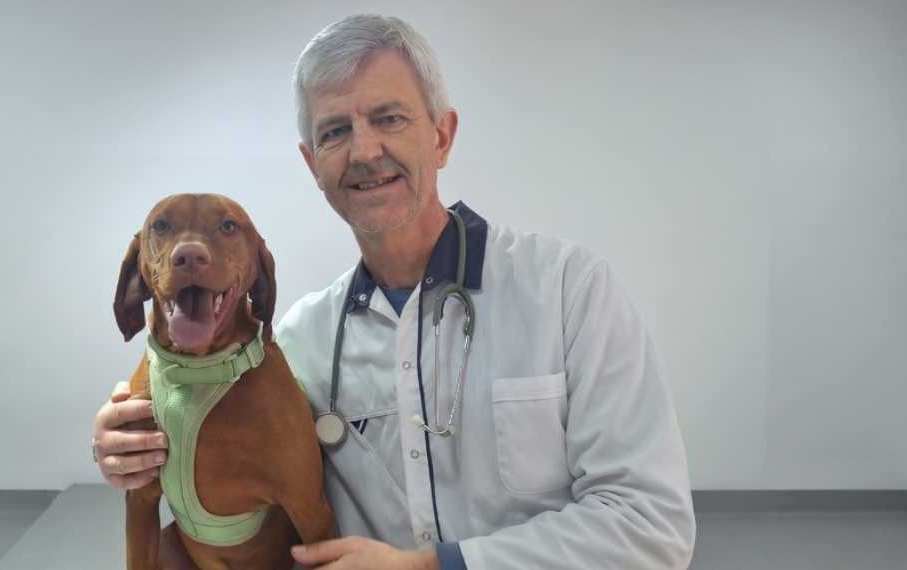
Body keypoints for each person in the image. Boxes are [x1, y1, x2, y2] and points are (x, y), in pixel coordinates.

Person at [93, 14, 696, 569]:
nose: (364, 151)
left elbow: (652, 525)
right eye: (335, 131)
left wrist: (436, 566)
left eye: (389, 118)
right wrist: (127, 447)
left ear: (442, 136)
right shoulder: (297, 342)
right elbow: (223, 490)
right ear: (313, 165)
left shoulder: (569, 291)